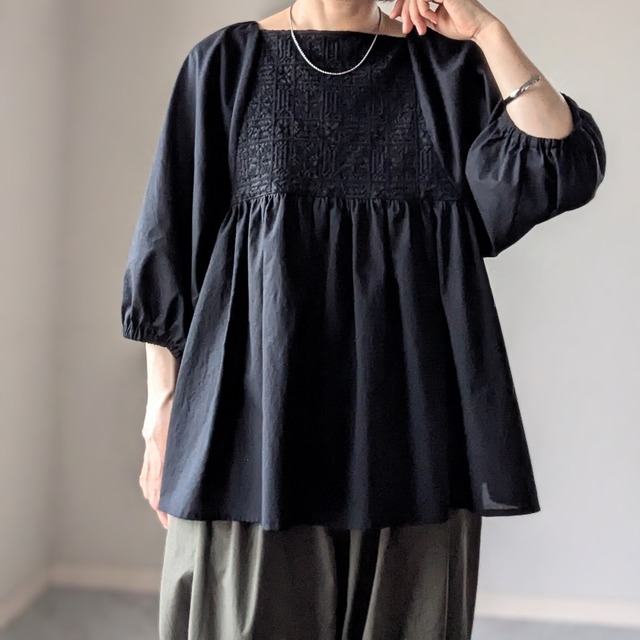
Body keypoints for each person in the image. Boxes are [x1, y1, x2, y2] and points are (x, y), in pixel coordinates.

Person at [120, 0, 606, 637]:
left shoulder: (445, 69)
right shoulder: (227, 64)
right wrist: (161, 409)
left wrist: (489, 33)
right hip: (255, 432)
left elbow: (557, 160)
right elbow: (169, 243)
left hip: (413, 436)